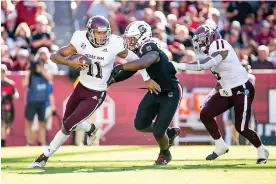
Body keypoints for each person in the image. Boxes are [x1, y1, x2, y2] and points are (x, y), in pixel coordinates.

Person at [28, 16, 160, 168]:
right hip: (81, 87)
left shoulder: (114, 43)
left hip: (97, 92)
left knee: (68, 125)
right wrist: (68, 61)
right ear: (90, 32)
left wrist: (147, 79)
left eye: (105, 33)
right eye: (98, 33)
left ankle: (43, 157)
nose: (102, 36)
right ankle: (91, 128)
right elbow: (54, 56)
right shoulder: (79, 38)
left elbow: (136, 60)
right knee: (67, 122)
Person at [172, 25, 269, 164]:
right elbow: (221, 80)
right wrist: (210, 95)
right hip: (228, 90)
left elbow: (204, 65)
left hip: (242, 88)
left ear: (210, 37)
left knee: (241, 128)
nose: (200, 43)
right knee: (205, 114)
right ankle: (220, 145)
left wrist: (179, 65)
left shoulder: (219, 43)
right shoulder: (212, 50)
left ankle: (261, 150)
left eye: (202, 39)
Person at [108, 21, 182, 165]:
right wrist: (112, 80)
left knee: (159, 132)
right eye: (128, 38)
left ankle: (165, 153)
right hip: (155, 91)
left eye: (133, 38)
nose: (130, 41)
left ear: (143, 36)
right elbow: (132, 70)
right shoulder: (138, 51)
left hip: (170, 91)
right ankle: (170, 133)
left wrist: (120, 66)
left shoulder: (150, 46)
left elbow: (143, 63)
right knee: (140, 124)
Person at [1, 64, 19, 147]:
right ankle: (2, 141)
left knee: (6, 125)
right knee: (2, 124)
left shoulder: (10, 84)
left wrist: (12, 96)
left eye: (3, 71)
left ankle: (3, 140)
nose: (2, 73)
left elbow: (16, 94)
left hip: (7, 108)